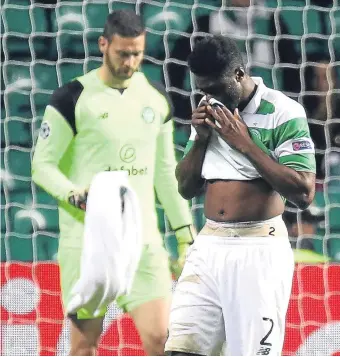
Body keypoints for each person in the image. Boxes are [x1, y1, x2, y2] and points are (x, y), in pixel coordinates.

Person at [32, 10, 195, 356]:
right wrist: (72, 193)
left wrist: (185, 237)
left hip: (143, 241)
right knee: (83, 348)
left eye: (137, 53)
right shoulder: (71, 98)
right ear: (103, 45)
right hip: (88, 241)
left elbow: (167, 173)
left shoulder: (156, 100)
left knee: (162, 340)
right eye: (123, 53)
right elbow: (41, 165)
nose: (131, 61)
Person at [165, 35, 316, 356]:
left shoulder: (284, 112)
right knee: (180, 350)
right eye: (203, 89)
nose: (209, 97)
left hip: (258, 249)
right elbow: (185, 187)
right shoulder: (209, 110)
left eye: (216, 88)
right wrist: (202, 139)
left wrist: (245, 143)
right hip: (208, 246)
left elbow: (304, 191)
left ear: (239, 74)